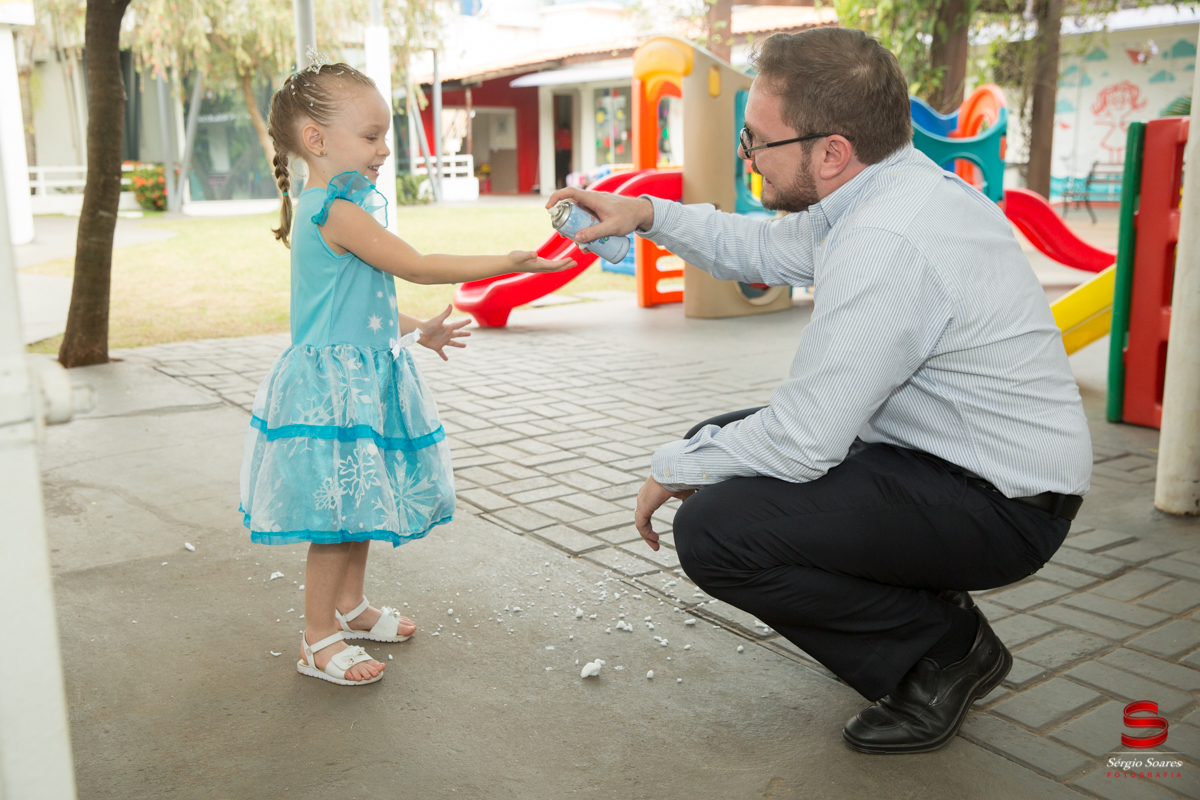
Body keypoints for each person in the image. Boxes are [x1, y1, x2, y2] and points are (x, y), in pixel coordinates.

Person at [546, 27, 1091, 753]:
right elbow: (763, 249)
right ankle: (911, 603)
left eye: (758, 142)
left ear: (832, 152)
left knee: (717, 529)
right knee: (721, 447)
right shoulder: (885, 191)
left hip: (1003, 505)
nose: (748, 158)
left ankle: (945, 653)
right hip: (945, 462)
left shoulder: (887, 240)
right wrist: (645, 214)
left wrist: (669, 466)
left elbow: (805, 440)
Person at [242, 60, 573, 686]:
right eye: (370, 136)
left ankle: (351, 605)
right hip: (332, 391)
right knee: (337, 517)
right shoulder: (332, 211)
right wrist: (506, 260)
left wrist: (419, 328)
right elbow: (417, 265)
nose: (383, 149)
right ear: (316, 140)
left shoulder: (339, 208)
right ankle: (317, 637)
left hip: (360, 377)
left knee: (361, 498)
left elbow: (361, 307)